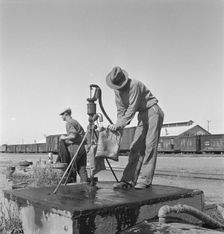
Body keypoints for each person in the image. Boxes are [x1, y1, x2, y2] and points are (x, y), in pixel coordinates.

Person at [106, 66, 164, 189]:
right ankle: (128, 180)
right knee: (135, 148)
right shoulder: (117, 91)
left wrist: (120, 125)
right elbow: (121, 110)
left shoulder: (134, 85)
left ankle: (145, 180)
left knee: (149, 146)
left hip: (153, 111)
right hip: (142, 114)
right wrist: (118, 126)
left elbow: (132, 108)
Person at [58, 108, 88, 183]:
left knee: (72, 168)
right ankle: (85, 187)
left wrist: (63, 138)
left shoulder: (69, 123)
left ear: (66, 114)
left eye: (62, 115)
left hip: (75, 148)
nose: (61, 117)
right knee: (82, 169)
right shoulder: (75, 121)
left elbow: (73, 136)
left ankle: (72, 187)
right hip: (82, 148)